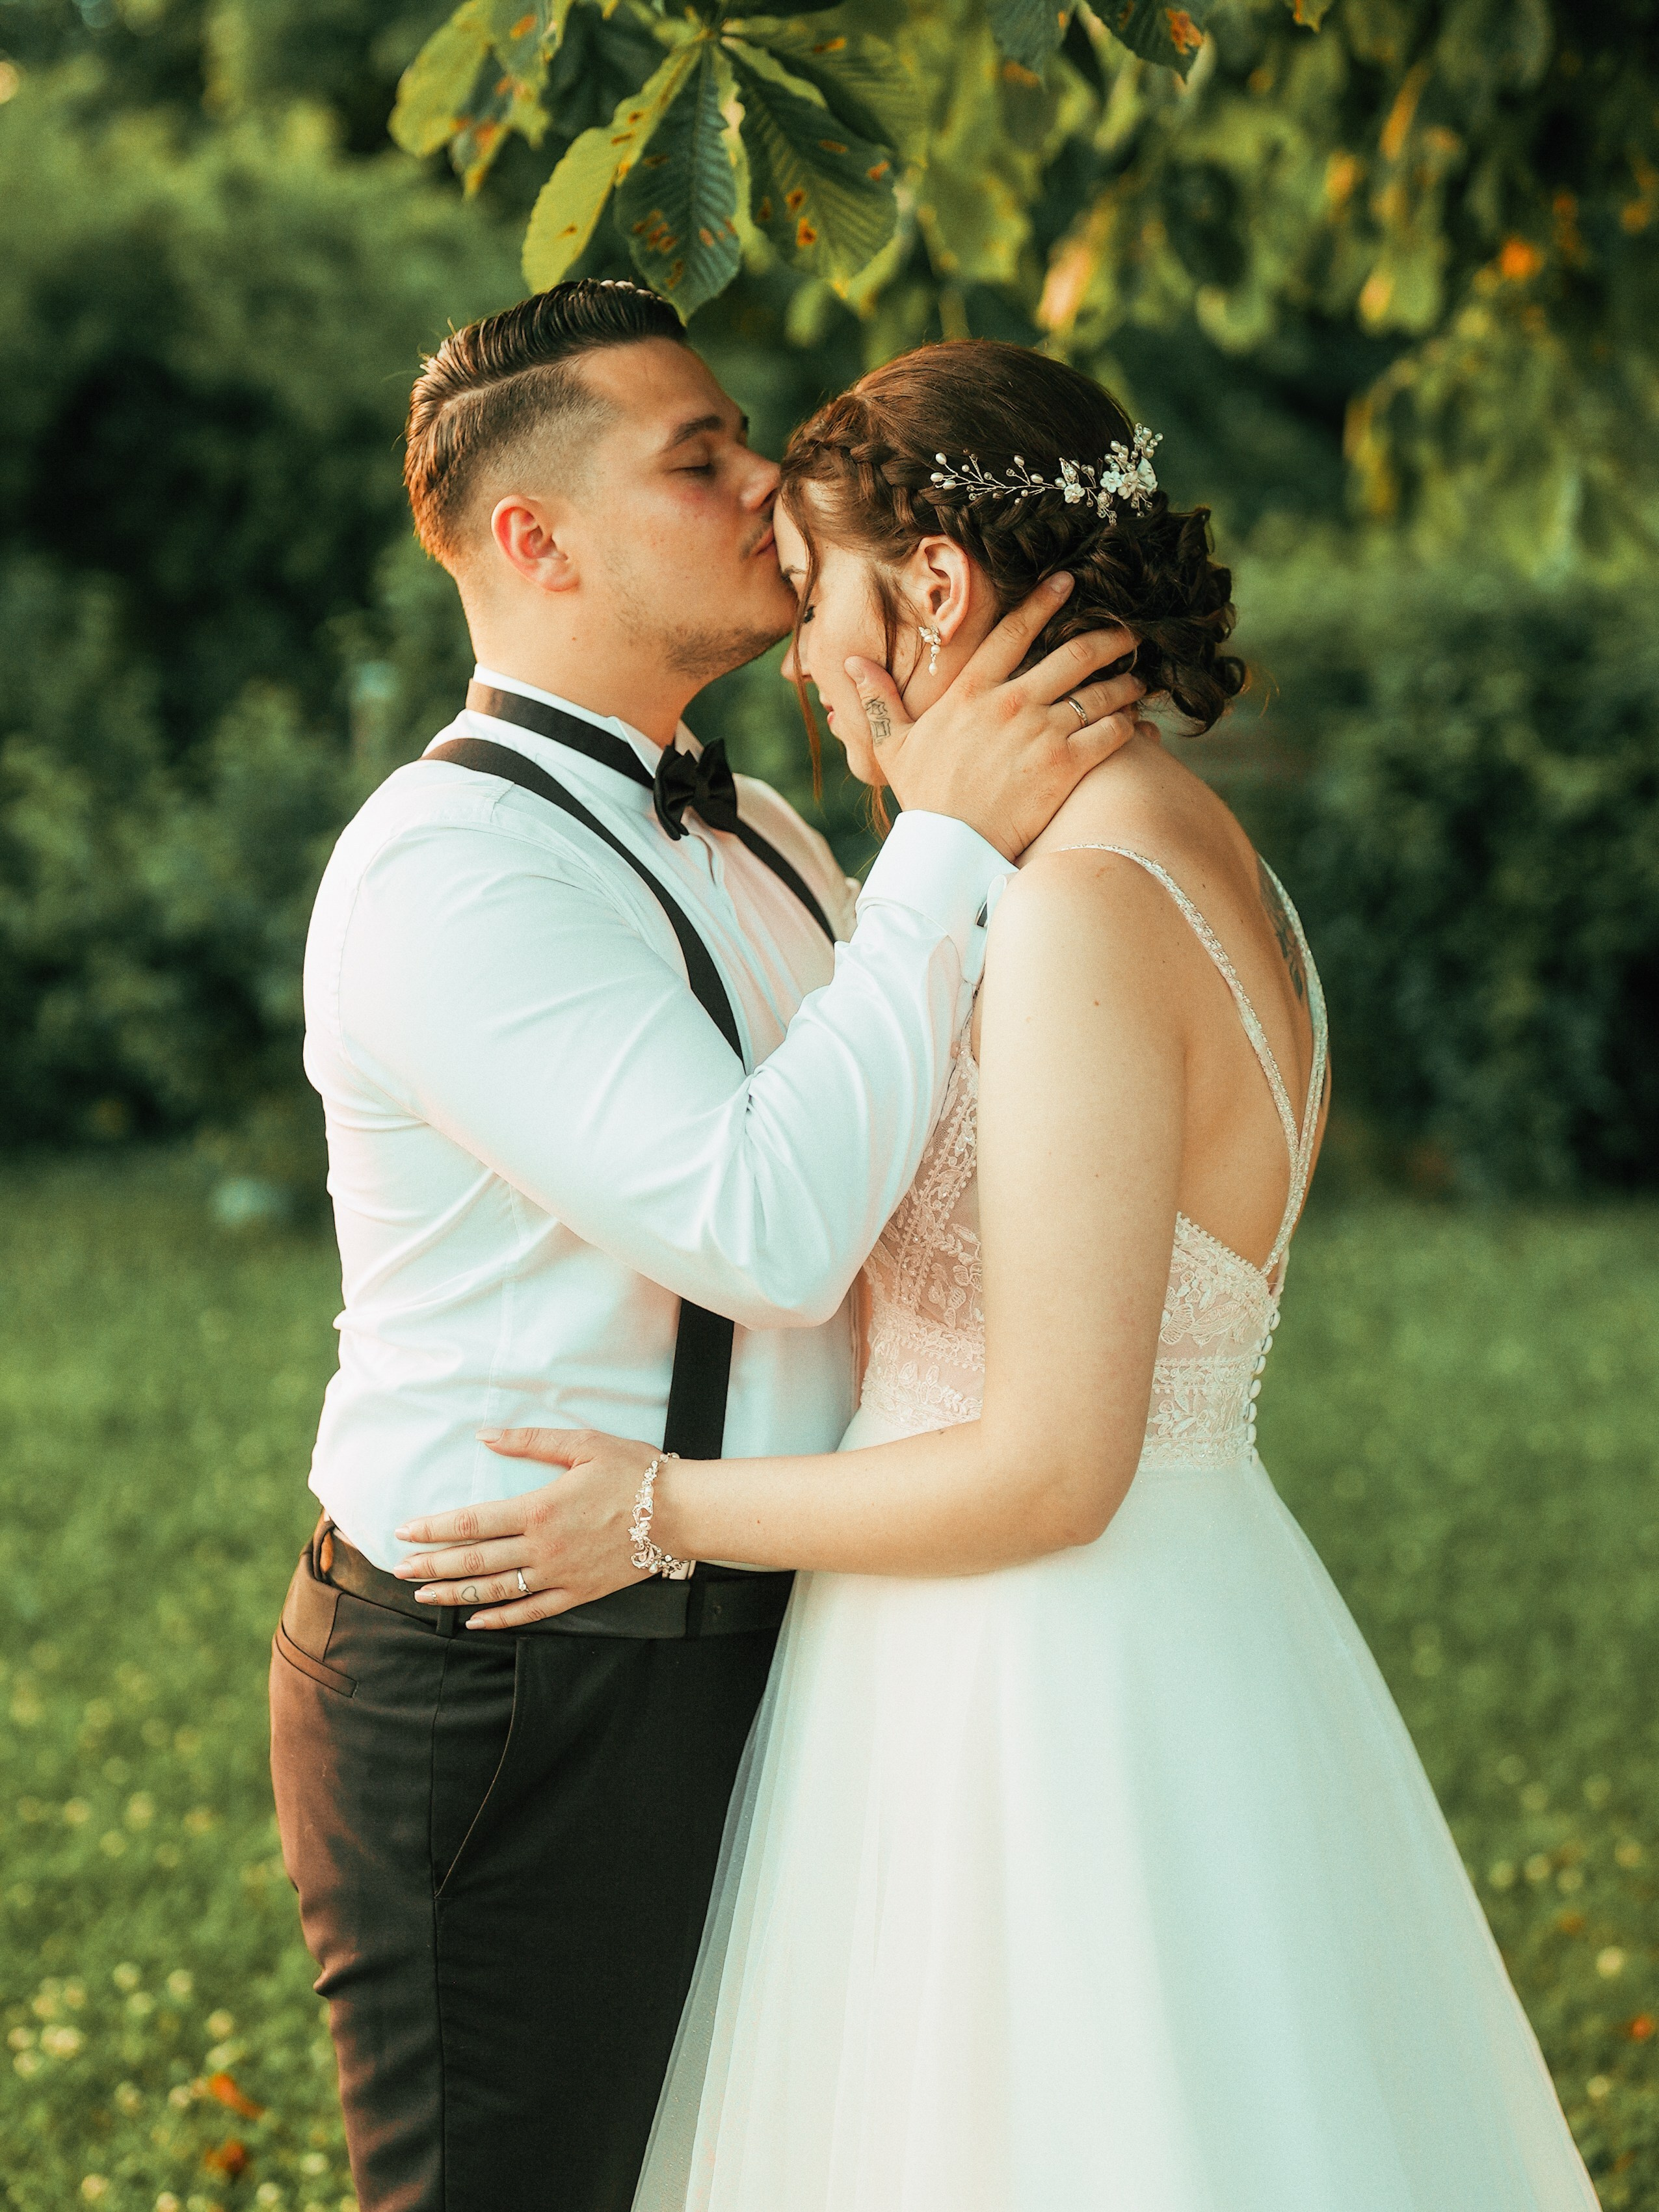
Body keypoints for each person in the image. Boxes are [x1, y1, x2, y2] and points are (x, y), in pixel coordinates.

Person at [399, 340, 1602, 2211]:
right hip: (1129, 1617)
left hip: (1040, 1669)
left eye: (823, 590)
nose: (804, 658)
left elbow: (1055, 1458)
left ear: (937, 589)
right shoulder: (1181, 862)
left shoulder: (1084, 909)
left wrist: (659, 1506)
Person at [269, 285, 1148, 2212]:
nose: (771, 486)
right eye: (704, 458)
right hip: (520, 1675)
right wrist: (945, 842)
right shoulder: (446, 873)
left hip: (770, 1610)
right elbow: (766, 1227)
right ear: (536, 538)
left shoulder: (758, 829)